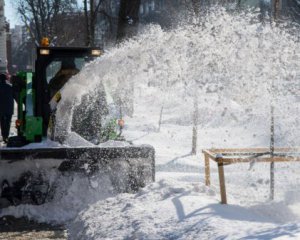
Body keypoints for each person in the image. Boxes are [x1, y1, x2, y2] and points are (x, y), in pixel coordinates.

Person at [0, 73, 14, 143]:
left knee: (2, 122)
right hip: (9, 108)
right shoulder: (10, 87)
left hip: (1, 109)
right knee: (8, 122)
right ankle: (6, 136)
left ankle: (4, 136)